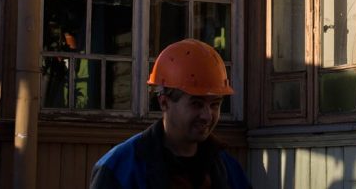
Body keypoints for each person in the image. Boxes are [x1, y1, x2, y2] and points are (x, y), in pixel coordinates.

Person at [90, 38, 251, 189]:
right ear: (164, 102)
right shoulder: (119, 169)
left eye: (215, 104)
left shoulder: (228, 169)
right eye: (197, 104)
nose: (207, 116)